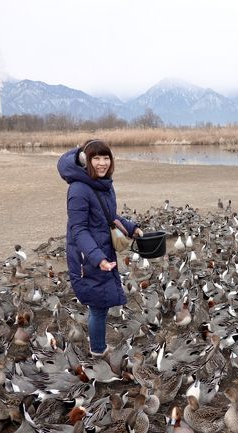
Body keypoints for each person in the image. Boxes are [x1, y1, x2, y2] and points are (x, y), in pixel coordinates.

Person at [57, 139, 143, 357]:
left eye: (106, 158)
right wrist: (97, 258)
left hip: (102, 249)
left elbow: (109, 215)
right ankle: (98, 350)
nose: (102, 163)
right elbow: (78, 230)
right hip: (88, 257)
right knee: (97, 306)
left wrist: (132, 228)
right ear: (86, 161)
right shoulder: (78, 189)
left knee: (100, 304)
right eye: (96, 158)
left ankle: (97, 346)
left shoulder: (103, 184)